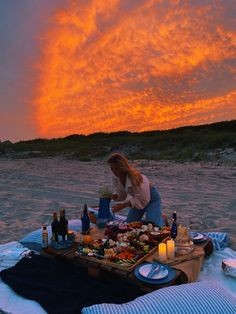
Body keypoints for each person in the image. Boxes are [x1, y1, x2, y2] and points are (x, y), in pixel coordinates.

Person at [107, 153, 163, 226]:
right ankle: (153, 218)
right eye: (111, 168)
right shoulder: (116, 178)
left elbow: (143, 198)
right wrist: (112, 197)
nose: (113, 171)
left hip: (151, 199)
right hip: (136, 200)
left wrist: (122, 205)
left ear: (121, 167)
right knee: (129, 225)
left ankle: (162, 219)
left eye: (116, 168)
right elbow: (122, 194)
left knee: (152, 226)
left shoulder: (136, 177)